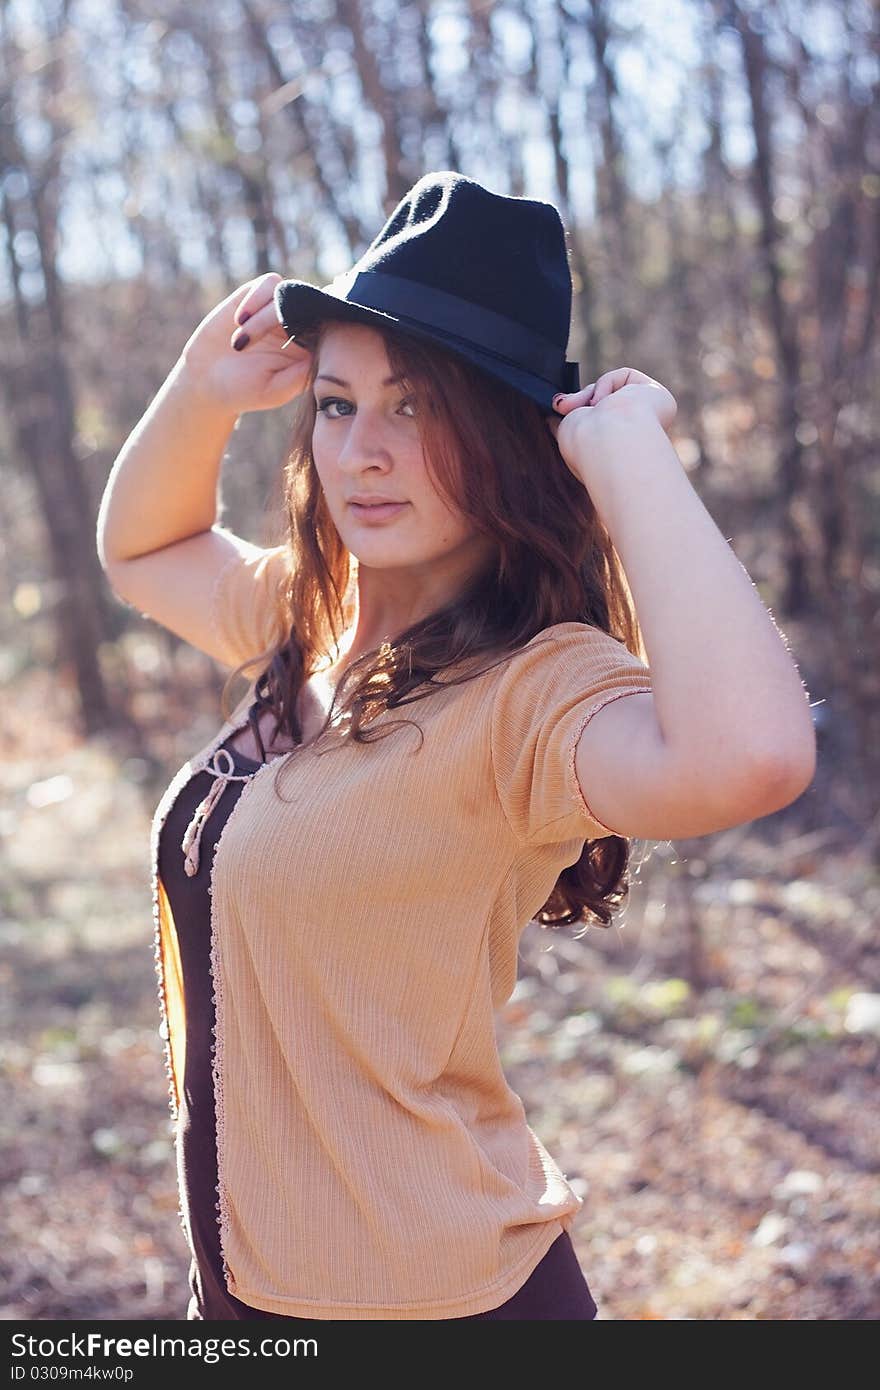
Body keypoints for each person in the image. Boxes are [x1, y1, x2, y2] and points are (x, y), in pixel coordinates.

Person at [96, 170, 816, 1321]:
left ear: (508, 439)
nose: (362, 452)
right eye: (337, 403)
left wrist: (630, 458)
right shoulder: (311, 622)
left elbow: (754, 757)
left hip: (442, 1305)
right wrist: (197, 393)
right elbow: (145, 549)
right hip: (245, 1303)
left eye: (419, 407)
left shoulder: (531, 693)